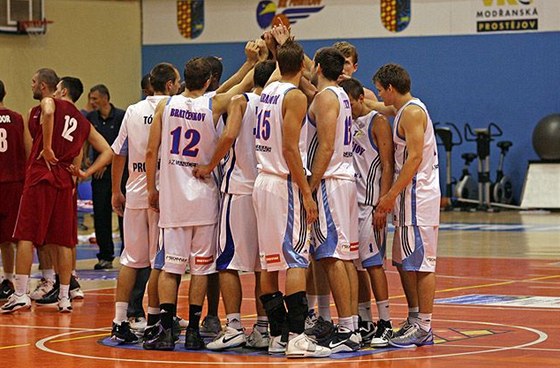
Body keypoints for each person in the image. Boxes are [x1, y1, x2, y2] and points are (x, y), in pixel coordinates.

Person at [143, 55, 254, 351]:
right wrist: (254, 60)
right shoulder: (213, 104)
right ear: (207, 82)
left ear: (182, 81)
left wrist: (151, 189)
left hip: (174, 198)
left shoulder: (165, 106)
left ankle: (166, 330)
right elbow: (241, 85)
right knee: (202, 268)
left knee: (171, 268)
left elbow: (151, 151)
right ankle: (193, 329)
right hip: (205, 198)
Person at [1, 70, 112, 314]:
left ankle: (20, 293)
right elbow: (108, 151)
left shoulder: (52, 103)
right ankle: (64, 296)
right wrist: (85, 172)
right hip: (64, 179)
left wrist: (48, 146)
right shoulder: (83, 120)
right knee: (63, 240)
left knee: (26, 236)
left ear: (61, 90)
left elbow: (48, 109)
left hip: (42, 173)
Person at [252, 40, 330, 358]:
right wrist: (307, 192)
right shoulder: (294, 96)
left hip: (262, 181)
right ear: (303, 66)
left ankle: (277, 336)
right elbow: (288, 148)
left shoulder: (267, 91)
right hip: (283, 183)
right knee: (296, 258)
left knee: (270, 262)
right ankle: (297, 336)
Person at [193, 60, 276, 350]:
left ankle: (234, 325)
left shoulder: (242, 101)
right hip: (268, 189)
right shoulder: (279, 103)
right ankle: (264, 327)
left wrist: (208, 165)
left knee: (228, 262)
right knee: (262, 264)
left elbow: (229, 135)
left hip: (239, 189)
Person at [110, 63, 181, 343]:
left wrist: (115, 191)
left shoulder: (133, 110)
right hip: (162, 194)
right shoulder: (175, 107)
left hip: (135, 191)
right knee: (157, 263)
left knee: (130, 259)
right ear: (169, 86)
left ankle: (119, 321)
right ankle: (153, 320)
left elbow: (119, 152)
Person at [373, 63, 440, 348]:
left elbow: (413, 159)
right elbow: (368, 103)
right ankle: (415, 320)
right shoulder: (401, 109)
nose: (379, 94)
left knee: (422, 264)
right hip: (408, 199)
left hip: (418, 197)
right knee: (406, 262)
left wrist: (388, 195)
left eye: (380, 89)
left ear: (391, 88)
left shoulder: (412, 113)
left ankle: (424, 325)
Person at [305, 47, 360, 353]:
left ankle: (347, 329)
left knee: (330, 256)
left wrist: (311, 186)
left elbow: (325, 147)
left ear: (317, 66)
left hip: (331, 181)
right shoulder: (337, 94)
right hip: (345, 179)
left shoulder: (327, 98)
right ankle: (350, 325)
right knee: (343, 256)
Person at [341, 78, 395, 347]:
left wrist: (383, 203)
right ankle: (364, 320)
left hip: (372, 203)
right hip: (349, 203)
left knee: (373, 264)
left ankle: (385, 321)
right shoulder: (342, 120)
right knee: (355, 265)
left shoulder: (378, 122)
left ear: (361, 98)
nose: (346, 109)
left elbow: (387, 165)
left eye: (350, 103)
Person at [86, 84, 126, 270]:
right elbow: (86, 139)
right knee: (101, 215)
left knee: (124, 215)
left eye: (95, 98)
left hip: (120, 172)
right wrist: (88, 159)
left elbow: (125, 144)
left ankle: (127, 254)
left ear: (105, 98)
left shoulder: (121, 116)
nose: (92, 102)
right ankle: (105, 256)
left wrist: (107, 163)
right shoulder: (90, 117)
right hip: (99, 176)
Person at [0, 80, 26, 302]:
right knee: (12, 238)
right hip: (15, 183)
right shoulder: (17, 119)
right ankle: (10, 280)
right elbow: (27, 150)